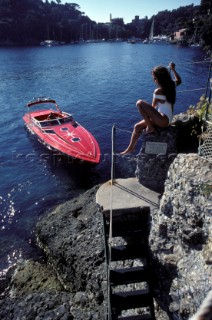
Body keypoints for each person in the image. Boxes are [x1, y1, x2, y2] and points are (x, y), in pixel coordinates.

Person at [120, 62, 181, 155]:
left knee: (139, 103)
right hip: (167, 120)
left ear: (159, 79)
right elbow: (179, 80)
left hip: (163, 120)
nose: (153, 79)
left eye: (155, 78)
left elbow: (153, 107)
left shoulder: (158, 91)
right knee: (137, 127)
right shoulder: (172, 85)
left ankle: (150, 127)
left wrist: (147, 120)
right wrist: (173, 69)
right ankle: (130, 148)